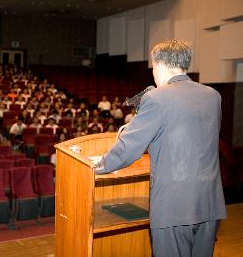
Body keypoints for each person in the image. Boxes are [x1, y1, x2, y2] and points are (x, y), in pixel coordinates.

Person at [94, 39, 226, 257]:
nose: (153, 73)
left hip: (174, 205)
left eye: (153, 68)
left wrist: (97, 166)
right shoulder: (213, 96)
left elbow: (128, 148)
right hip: (210, 203)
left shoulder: (157, 98)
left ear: (160, 65)